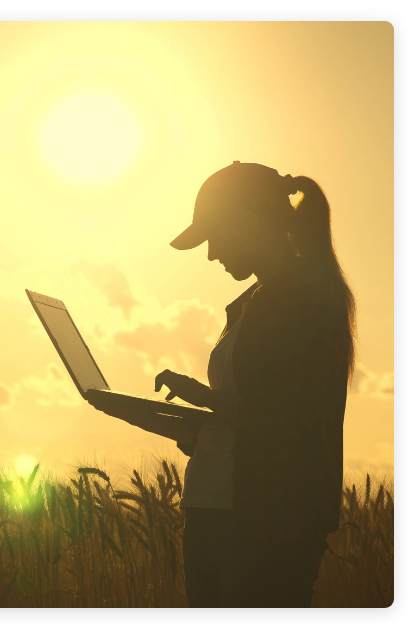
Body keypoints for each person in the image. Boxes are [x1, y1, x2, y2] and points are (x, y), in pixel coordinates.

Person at [87, 161, 355, 607]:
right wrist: (159, 418)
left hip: (266, 519)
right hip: (213, 507)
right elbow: (241, 421)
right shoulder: (252, 303)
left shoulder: (309, 301)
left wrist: (199, 396)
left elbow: (289, 420)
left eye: (214, 237)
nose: (211, 255)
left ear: (248, 222)